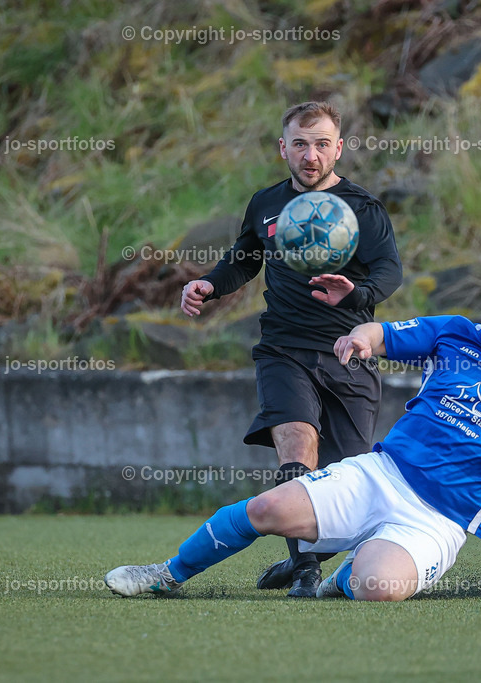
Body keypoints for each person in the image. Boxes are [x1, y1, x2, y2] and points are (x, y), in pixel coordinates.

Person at [105, 268, 481, 601]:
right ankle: (166, 575)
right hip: (382, 473)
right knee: (266, 507)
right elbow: (384, 331)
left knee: (378, 588)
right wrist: (361, 339)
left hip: (438, 521)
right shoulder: (455, 335)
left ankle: (344, 575)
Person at [179, 101, 403, 596]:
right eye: (300, 143)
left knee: (345, 488)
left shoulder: (362, 209)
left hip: (348, 351)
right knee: (298, 445)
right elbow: (243, 259)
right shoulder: (266, 204)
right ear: (284, 148)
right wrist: (209, 286)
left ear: (338, 148)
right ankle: (305, 571)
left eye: (322, 143)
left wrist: (357, 293)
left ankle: (307, 556)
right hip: (283, 349)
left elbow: (390, 271)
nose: (311, 154)